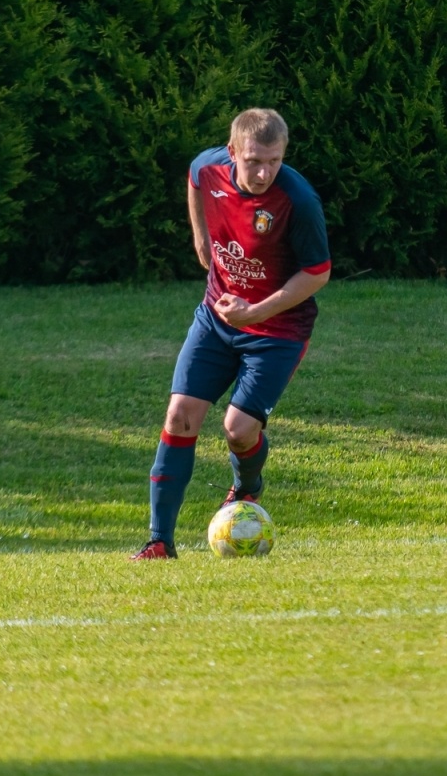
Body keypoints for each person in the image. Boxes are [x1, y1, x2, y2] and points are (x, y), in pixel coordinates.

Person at [132, 108, 331, 560]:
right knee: (179, 417)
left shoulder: (298, 201)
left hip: (278, 330)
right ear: (232, 151)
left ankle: (248, 486)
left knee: (238, 431)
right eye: (254, 161)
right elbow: (194, 177)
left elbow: (317, 273)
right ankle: (159, 541)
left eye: (274, 161)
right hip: (216, 320)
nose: (263, 173)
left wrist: (254, 311)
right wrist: (201, 237)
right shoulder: (211, 167)